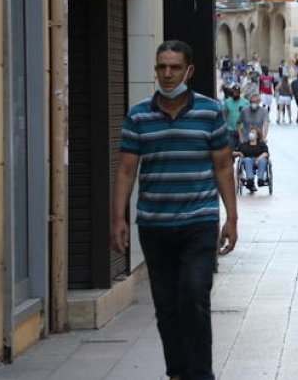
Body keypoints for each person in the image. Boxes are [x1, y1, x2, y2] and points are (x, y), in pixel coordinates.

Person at [110, 40, 237, 380]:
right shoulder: (139, 115)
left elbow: (224, 166)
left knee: (195, 294)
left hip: (199, 221)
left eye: (175, 67)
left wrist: (232, 218)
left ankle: (201, 374)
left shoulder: (210, 112)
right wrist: (117, 218)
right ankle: (178, 372)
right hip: (154, 224)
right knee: (166, 307)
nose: (167, 74)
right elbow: (125, 170)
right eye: (161, 67)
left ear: (189, 71)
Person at [236, 129, 270, 193]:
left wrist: (259, 158)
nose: (251, 134)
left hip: (259, 160)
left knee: (263, 160)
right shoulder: (244, 144)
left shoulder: (261, 144)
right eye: (250, 132)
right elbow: (237, 151)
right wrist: (239, 153)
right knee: (247, 160)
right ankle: (250, 179)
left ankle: (260, 179)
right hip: (248, 161)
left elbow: (266, 153)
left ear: (257, 136)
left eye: (253, 133)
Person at [222, 86, 248, 150]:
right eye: (234, 92)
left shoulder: (245, 102)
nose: (235, 94)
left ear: (239, 93)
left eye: (236, 92)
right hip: (230, 129)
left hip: (243, 130)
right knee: (230, 149)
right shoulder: (227, 102)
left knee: (244, 149)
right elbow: (224, 114)